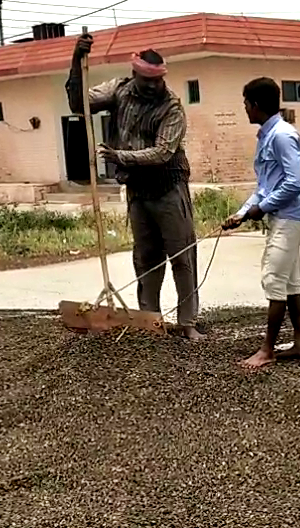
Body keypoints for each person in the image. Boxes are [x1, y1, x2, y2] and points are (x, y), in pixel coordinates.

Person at [66, 33, 204, 339]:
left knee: (182, 256)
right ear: (134, 75)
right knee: (146, 258)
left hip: (169, 187)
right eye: (147, 80)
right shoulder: (119, 90)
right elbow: (79, 103)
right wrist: (76, 59)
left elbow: (162, 152)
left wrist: (120, 156)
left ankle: (187, 323)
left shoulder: (172, 107)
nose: (154, 86)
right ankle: (149, 321)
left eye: (158, 80)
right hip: (137, 190)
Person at [222, 77, 300, 369]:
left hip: (289, 218)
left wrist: (261, 209)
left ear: (256, 105)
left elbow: (294, 183)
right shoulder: (268, 135)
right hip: (281, 216)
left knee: (273, 280)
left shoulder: (282, 136)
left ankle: (267, 350)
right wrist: (242, 212)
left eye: (246, 103)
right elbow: (266, 185)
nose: (245, 108)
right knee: (291, 281)